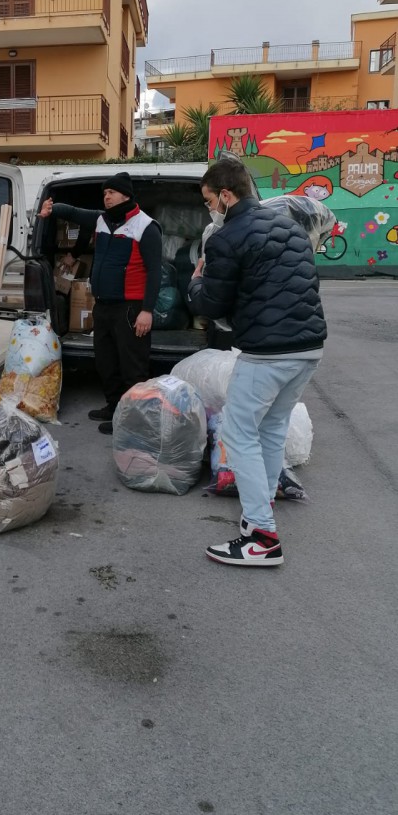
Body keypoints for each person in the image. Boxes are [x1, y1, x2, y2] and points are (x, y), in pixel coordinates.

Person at [187, 158, 327, 567]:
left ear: (227, 196)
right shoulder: (289, 226)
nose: (210, 208)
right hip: (309, 346)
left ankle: (263, 539)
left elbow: (213, 304)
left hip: (270, 351)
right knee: (269, 430)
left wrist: (195, 281)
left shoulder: (227, 237)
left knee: (237, 431)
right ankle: (257, 519)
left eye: (210, 200)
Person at [38, 171, 162, 434]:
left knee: (133, 368)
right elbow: (73, 212)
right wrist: (52, 207)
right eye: (104, 193)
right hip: (103, 306)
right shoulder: (102, 221)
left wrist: (147, 311)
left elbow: (155, 272)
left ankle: (132, 421)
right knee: (106, 362)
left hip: (131, 308)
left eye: (111, 192)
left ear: (125, 195)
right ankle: (114, 406)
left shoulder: (145, 227)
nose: (106, 197)